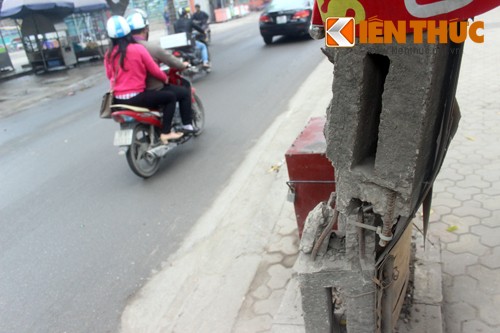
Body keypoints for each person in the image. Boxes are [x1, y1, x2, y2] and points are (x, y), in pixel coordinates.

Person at [104, 15, 183, 144]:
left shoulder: (108, 54)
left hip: (118, 100)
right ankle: (166, 132)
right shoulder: (138, 49)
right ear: (129, 32)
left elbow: (109, 75)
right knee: (170, 97)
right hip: (137, 98)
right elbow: (154, 70)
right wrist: (165, 79)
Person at [126, 11, 196, 133]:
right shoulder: (149, 48)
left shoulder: (121, 50)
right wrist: (181, 66)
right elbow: (166, 64)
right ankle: (185, 126)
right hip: (152, 90)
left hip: (132, 92)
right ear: (145, 29)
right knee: (183, 93)